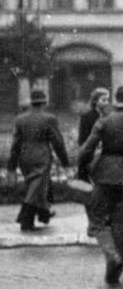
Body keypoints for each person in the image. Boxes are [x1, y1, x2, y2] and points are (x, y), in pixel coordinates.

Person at [78, 85, 123, 285]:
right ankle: (114, 273)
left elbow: (86, 150)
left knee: (97, 219)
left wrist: (82, 170)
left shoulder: (104, 121)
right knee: (122, 224)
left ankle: (111, 254)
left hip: (105, 175)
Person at [7, 89, 70, 232]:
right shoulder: (49, 118)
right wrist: (65, 162)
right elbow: (58, 143)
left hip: (24, 157)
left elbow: (15, 144)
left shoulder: (20, 119)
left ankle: (43, 213)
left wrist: (11, 166)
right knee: (37, 188)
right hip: (41, 156)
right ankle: (25, 220)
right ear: (45, 102)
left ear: (31, 102)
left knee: (36, 187)